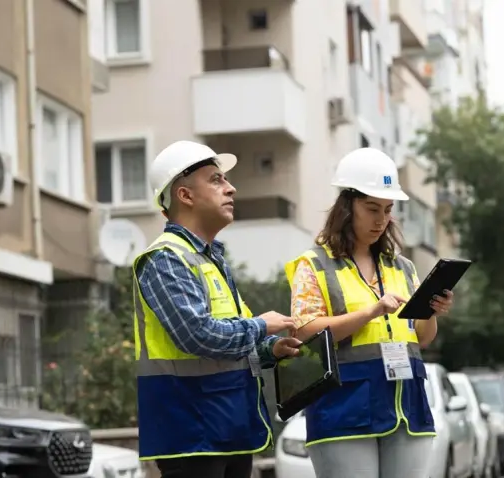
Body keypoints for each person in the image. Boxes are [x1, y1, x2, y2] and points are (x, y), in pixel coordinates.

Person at [132, 140, 302, 478]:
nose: (231, 188)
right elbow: (198, 336)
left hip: (226, 428)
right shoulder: (166, 258)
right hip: (191, 434)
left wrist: (270, 350)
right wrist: (261, 327)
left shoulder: (209, 259)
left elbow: (230, 345)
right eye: (216, 179)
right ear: (185, 195)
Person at [284, 147, 455, 478]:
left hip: (406, 407)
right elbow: (305, 331)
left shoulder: (402, 267)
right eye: (372, 208)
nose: (381, 219)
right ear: (347, 207)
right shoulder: (314, 265)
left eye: (388, 210)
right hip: (344, 411)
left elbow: (422, 338)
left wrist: (431, 312)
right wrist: (372, 311)